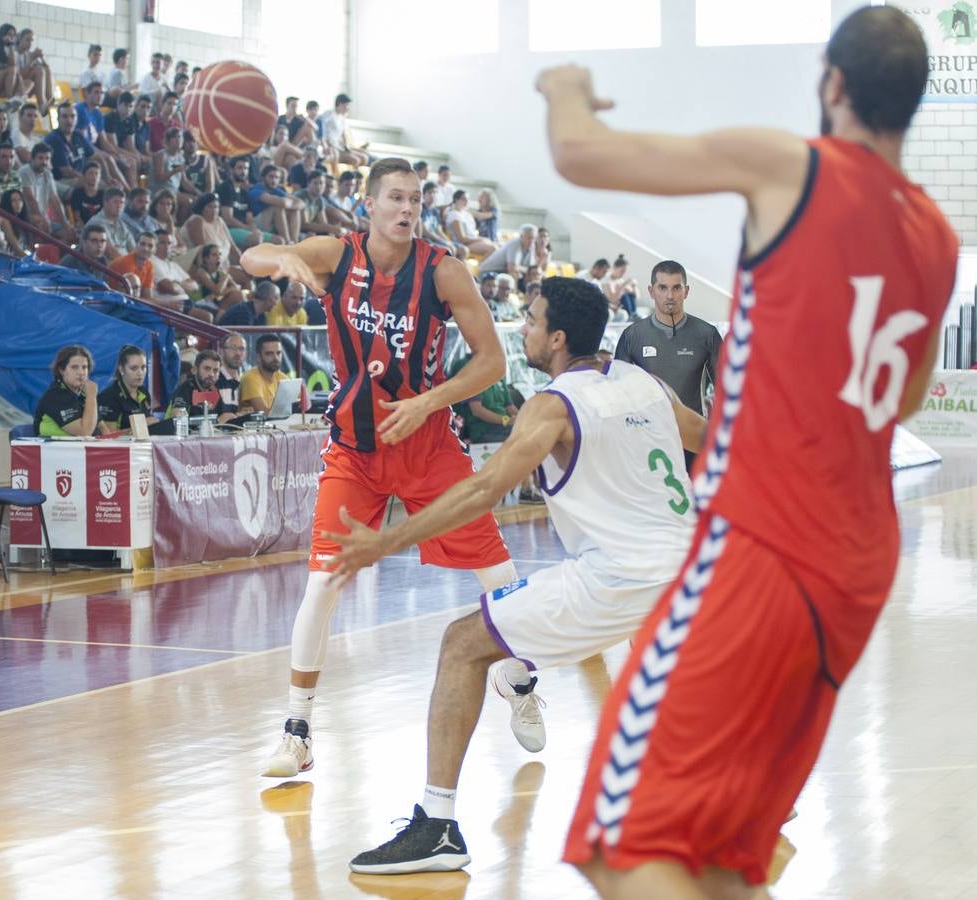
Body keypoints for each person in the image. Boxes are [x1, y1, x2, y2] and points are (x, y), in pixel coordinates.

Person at [530, 8, 959, 896]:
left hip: (764, 541)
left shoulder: (792, 165)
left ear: (831, 82)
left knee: (620, 840)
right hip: (858, 564)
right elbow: (905, 396)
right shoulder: (938, 239)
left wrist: (562, 88)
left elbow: (580, 156)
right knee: (722, 847)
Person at [329, 278, 705, 874]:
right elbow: (709, 439)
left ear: (556, 339)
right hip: (690, 573)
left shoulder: (552, 406)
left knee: (462, 644)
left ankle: (438, 827)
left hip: (619, 578)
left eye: (531, 321)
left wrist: (387, 540)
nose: (525, 329)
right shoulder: (646, 382)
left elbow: (484, 487)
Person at [242, 157, 518, 777]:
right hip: (355, 448)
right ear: (368, 205)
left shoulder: (442, 270)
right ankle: (296, 730)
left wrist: (428, 399)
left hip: (427, 447)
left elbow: (493, 361)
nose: (407, 210)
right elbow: (251, 257)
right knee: (322, 582)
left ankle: (520, 684)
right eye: (395, 198)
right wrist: (282, 258)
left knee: (499, 574)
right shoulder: (335, 255)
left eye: (415, 200)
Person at [613, 259, 723, 425]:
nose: (670, 296)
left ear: (686, 291)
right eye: (662, 288)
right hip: (649, 441)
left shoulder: (707, 334)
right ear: (651, 291)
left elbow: (727, 391)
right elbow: (619, 395)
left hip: (693, 442)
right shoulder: (632, 336)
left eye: (676, 288)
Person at [33, 345, 100, 437]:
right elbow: (84, 433)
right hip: (53, 450)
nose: (81, 372)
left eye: (84, 367)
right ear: (61, 370)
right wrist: (92, 395)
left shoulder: (83, 396)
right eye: (74, 367)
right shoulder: (55, 396)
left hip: (74, 450)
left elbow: (101, 428)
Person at [97, 345, 159, 432]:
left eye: (143, 367)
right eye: (134, 368)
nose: (140, 373)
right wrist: (141, 426)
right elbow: (108, 435)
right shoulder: (108, 397)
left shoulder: (143, 392)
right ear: (121, 369)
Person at [168, 349, 238, 423]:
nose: (211, 374)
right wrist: (216, 422)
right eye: (207, 369)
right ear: (194, 370)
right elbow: (178, 418)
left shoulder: (214, 390)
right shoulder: (185, 389)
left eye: (215, 370)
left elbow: (223, 416)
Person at [446, 189, 497, 258]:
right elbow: (462, 239)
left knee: (498, 247)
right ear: (456, 200)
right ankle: (481, 267)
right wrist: (481, 239)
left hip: (472, 241)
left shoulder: (467, 214)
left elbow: (472, 234)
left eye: (467, 199)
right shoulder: (454, 215)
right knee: (493, 248)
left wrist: (483, 239)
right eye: (463, 199)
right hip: (464, 244)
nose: (466, 201)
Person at [217, 333, 247, 410]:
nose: (238, 353)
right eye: (233, 348)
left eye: (241, 349)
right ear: (221, 351)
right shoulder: (214, 378)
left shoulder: (247, 378)